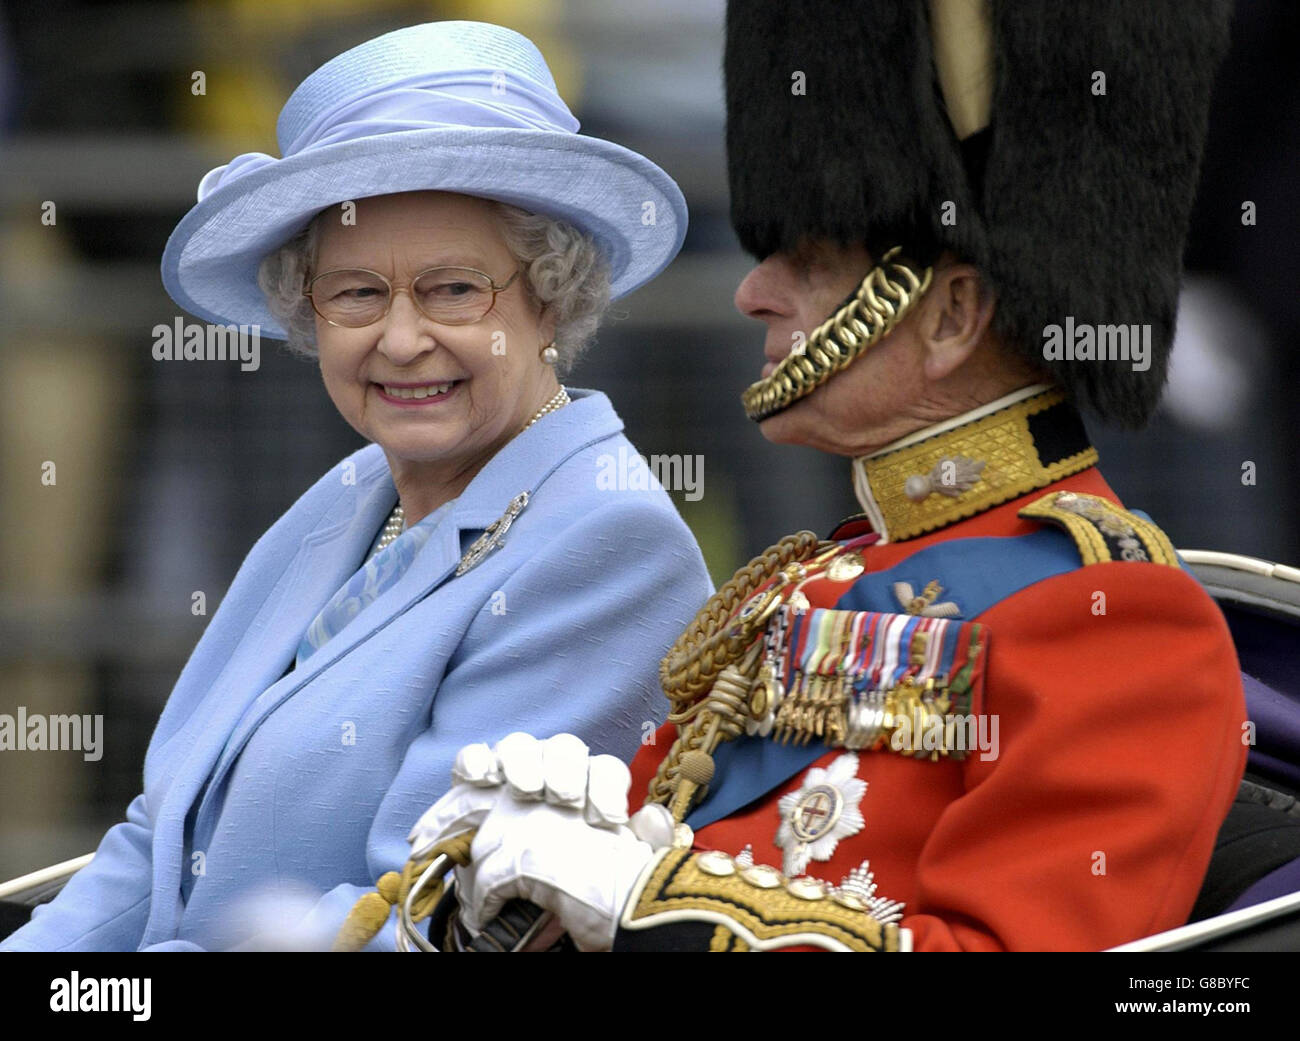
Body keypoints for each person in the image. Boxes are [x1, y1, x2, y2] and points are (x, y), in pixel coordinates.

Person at [406, 0, 1251, 952]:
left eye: (806, 263)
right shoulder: (805, 581)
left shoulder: (1118, 620)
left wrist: (645, 907)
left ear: (950, 314)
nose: (752, 290)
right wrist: (518, 888)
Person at [0, 21, 711, 952]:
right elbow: (158, 841)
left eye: (455, 290)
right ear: (308, 313)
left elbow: (410, 918)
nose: (402, 338)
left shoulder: (609, 543)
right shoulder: (350, 490)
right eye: (358, 294)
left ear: (551, 296)